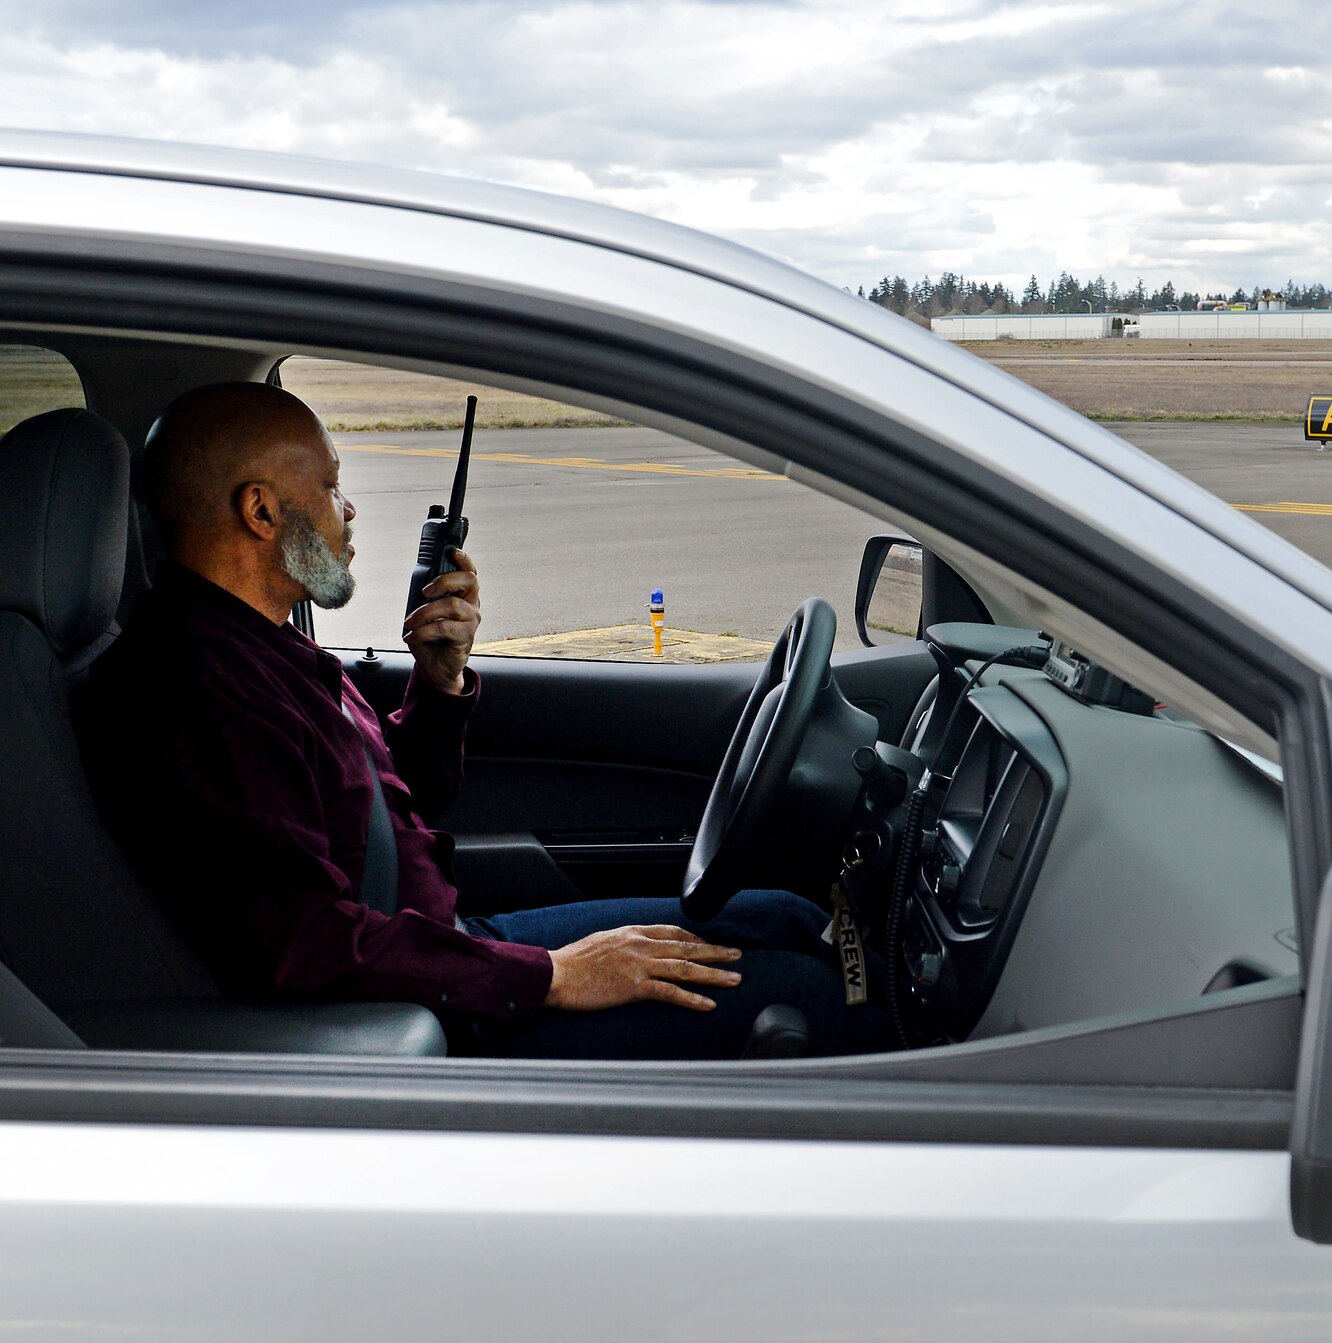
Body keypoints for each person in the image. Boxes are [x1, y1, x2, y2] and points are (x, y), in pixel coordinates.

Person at [79, 381, 892, 1060]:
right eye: (329, 486)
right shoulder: (198, 690)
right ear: (260, 512)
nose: (349, 509)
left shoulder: (260, 646)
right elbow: (305, 942)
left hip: (443, 945)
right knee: (819, 995)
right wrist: (549, 975)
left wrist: (439, 682)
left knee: (789, 916)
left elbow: (388, 812)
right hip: (427, 1006)